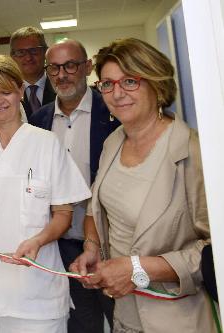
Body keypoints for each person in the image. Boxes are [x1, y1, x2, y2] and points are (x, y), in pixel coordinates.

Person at [70, 38, 215, 333]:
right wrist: (93, 248)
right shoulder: (114, 142)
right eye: (107, 84)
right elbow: (98, 208)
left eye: (130, 81)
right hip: (124, 314)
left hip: (175, 318)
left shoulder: (193, 153)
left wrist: (136, 269)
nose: (117, 93)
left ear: (156, 83)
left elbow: (215, 253)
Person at [0, 54, 91, 333]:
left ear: (20, 91)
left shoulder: (47, 144)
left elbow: (64, 213)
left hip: (34, 297)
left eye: (6, 92)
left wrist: (38, 240)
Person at [30, 39, 119, 332]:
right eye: (54, 68)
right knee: (81, 324)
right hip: (64, 244)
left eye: (70, 65)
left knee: (122, 318)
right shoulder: (39, 120)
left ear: (87, 67)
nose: (61, 74)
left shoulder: (113, 112)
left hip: (111, 242)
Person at [10, 26, 56, 119]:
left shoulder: (61, 87)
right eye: (21, 52)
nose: (28, 58)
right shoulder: (7, 94)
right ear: (12, 56)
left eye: (34, 50)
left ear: (45, 52)